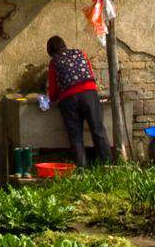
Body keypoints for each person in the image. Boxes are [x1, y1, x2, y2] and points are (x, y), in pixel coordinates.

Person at [46, 34, 112, 166]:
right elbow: (90, 74)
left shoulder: (54, 62)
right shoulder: (80, 53)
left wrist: (52, 98)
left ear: (51, 52)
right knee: (98, 129)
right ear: (64, 45)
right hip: (89, 93)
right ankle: (107, 165)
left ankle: (81, 169)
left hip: (69, 98)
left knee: (76, 135)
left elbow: (53, 91)